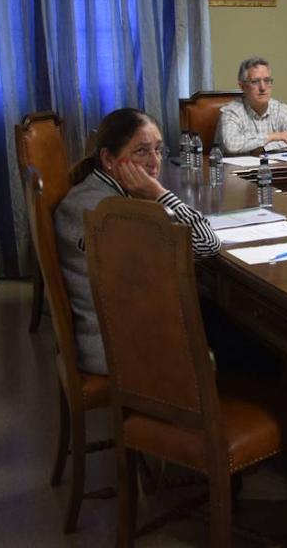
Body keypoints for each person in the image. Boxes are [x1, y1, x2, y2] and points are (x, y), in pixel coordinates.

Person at [55, 108, 220, 375]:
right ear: (108, 159)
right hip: (118, 348)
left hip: (123, 329)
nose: (154, 162)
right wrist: (160, 193)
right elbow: (207, 242)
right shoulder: (106, 211)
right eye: (141, 152)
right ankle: (203, 411)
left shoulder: (98, 192)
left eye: (158, 149)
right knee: (247, 340)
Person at [217, 56, 287, 154]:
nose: (263, 87)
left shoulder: (279, 109)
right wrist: (271, 137)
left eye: (267, 80)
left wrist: (264, 148)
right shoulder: (231, 111)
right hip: (237, 169)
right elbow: (232, 145)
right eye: (255, 82)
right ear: (242, 86)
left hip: (272, 167)